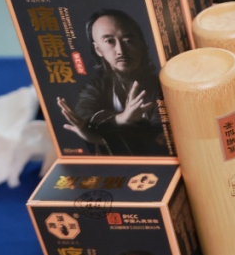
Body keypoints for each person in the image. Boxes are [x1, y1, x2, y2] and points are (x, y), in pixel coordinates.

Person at [57, 9, 168, 156]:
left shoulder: (163, 86)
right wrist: (121, 119)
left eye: (128, 41)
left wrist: (97, 137)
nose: (121, 50)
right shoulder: (95, 88)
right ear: (98, 49)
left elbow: (159, 139)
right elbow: (84, 115)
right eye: (109, 41)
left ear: (141, 43)